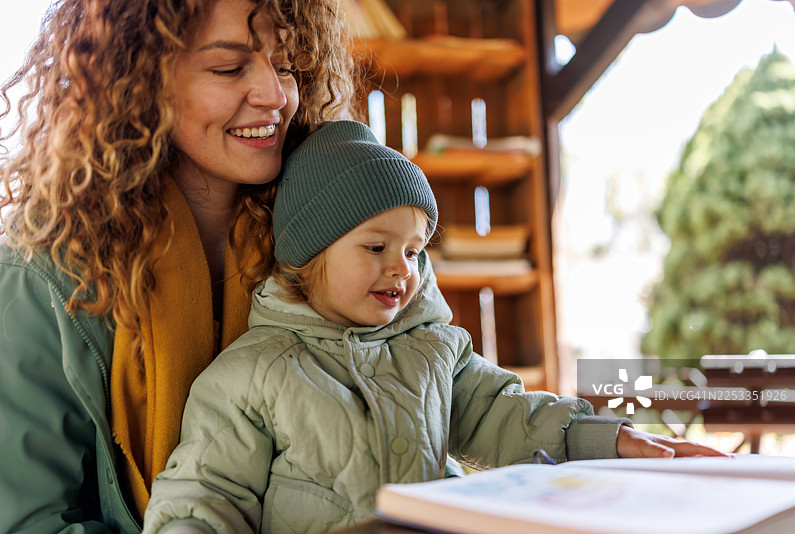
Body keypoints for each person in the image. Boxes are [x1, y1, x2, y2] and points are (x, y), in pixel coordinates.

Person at [142, 120, 729, 534]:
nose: (402, 267)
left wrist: (607, 441)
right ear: (308, 254)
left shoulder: (434, 351)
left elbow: (509, 416)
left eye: (416, 250)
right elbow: (205, 497)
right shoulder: (251, 374)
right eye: (376, 246)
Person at [0, 0, 356, 531]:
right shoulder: (39, 279)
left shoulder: (342, 232)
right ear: (141, 82)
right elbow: (32, 522)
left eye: (285, 66)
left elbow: (408, 417)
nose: (275, 96)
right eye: (229, 68)